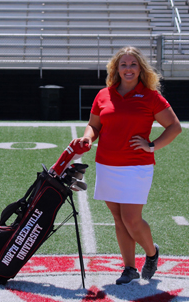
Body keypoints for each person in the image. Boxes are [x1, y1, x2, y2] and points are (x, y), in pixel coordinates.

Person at [72, 46, 182, 284]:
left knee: (132, 218)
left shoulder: (151, 97)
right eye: (123, 65)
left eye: (133, 64)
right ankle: (129, 268)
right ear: (116, 69)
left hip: (136, 167)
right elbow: (95, 126)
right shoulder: (104, 95)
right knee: (119, 219)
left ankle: (152, 253)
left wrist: (152, 145)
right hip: (107, 164)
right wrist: (88, 137)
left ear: (140, 68)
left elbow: (174, 127)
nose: (128, 69)